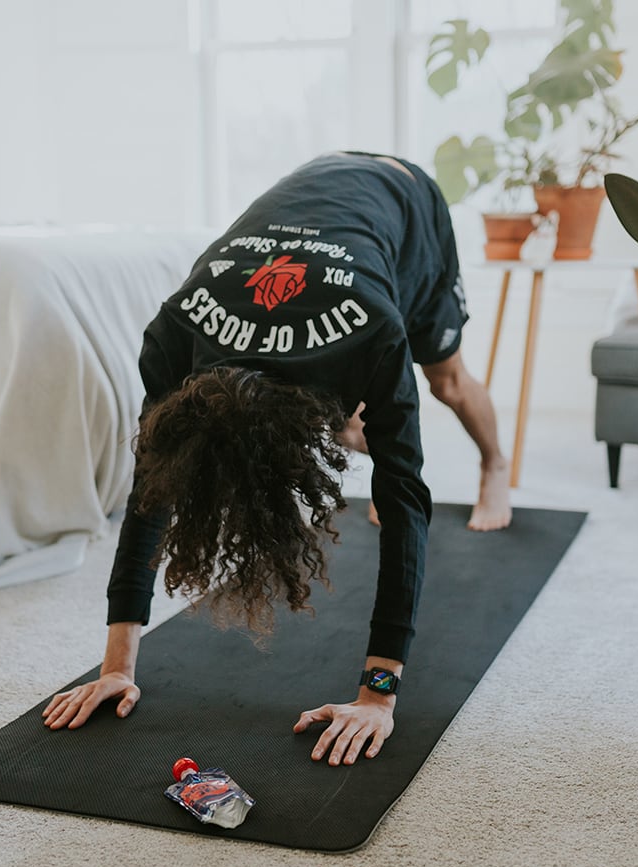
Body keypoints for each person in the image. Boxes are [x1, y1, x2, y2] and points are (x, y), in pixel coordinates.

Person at [42, 152, 511, 766]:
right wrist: (116, 667)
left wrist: (378, 696)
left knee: (446, 381)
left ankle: (495, 464)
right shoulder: (176, 330)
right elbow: (150, 491)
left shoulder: (375, 332)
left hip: (403, 199)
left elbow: (405, 500)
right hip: (316, 199)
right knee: (356, 420)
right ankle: (355, 424)